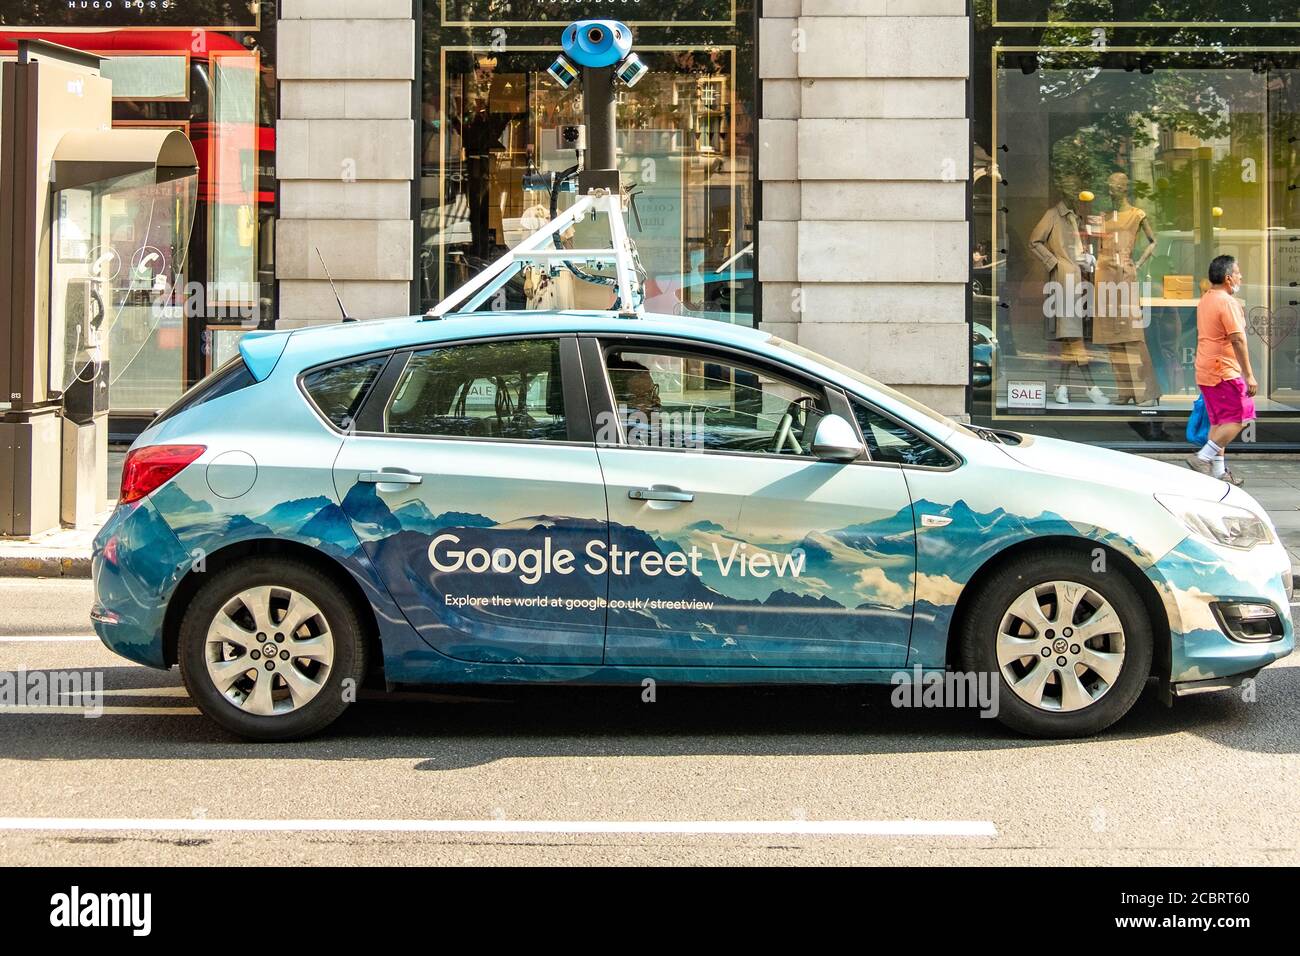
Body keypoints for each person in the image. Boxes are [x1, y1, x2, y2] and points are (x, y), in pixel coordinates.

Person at [1187, 255, 1256, 485]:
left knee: (1219, 422)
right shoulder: (1227, 302)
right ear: (1228, 278)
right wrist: (1249, 375)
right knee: (1242, 416)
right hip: (1223, 370)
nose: (1240, 277)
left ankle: (1218, 473)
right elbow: (1238, 339)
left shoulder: (1206, 299)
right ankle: (1202, 457)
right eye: (1237, 273)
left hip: (1206, 368)